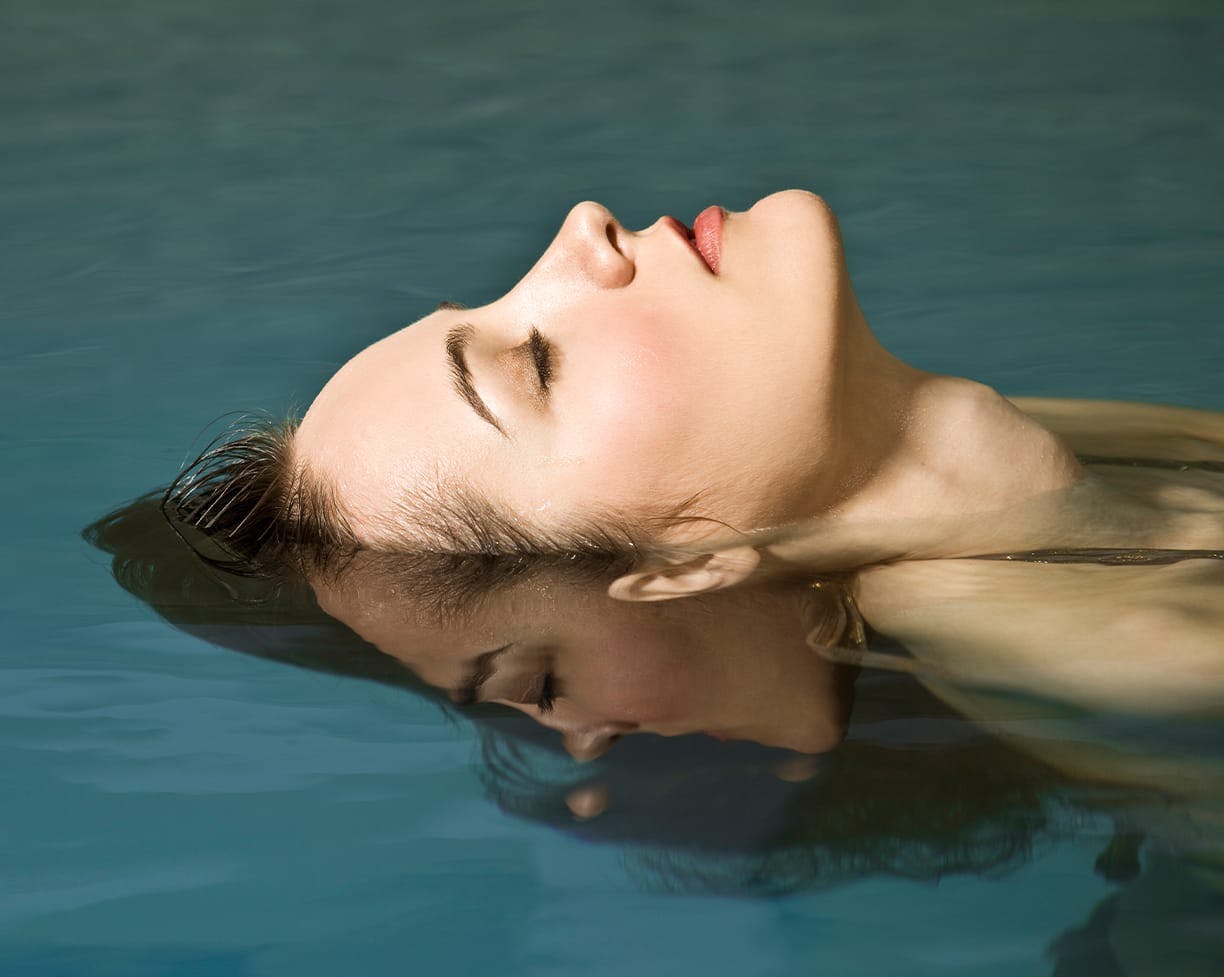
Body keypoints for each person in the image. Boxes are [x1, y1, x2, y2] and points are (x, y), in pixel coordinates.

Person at [166, 189, 1224, 730]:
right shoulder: (1149, 661)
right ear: (679, 570)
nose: (582, 228)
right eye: (536, 360)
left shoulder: (1048, 471)